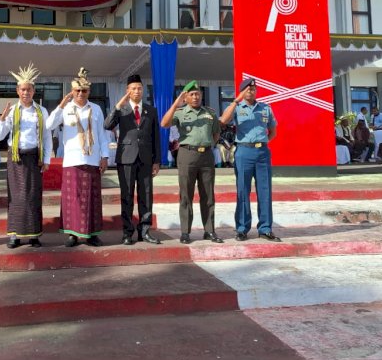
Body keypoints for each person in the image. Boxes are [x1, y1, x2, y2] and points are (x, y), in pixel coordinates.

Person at [45, 67, 109, 247]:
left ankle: (92, 234)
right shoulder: (65, 109)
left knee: (92, 199)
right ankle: (72, 234)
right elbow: (49, 125)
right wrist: (60, 106)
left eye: (84, 91)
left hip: (92, 159)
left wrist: (104, 157)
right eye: (77, 90)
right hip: (72, 160)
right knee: (73, 199)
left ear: (89, 92)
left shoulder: (96, 109)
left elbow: (102, 135)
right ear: (72, 91)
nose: (81, 94)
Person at [0, 63, 52, 249]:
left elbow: (47, 137)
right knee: (17, 197)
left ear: (34, 91)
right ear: (17, 91)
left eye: (29, 89)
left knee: (34, 196)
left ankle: (34, 234)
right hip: (16, 158)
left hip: (35, 158)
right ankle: (15, 235)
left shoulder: (41, 111)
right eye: (22, 89)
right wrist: (2, 120)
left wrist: (47, 159)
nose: (26, 93)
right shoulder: (11, 111)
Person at [161, 80, 222, 244]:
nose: (195, 97)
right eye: (192, 94)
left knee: (208, 195)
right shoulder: (180, 112)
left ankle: (209, 231)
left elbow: (216, 133)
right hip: (187, 155)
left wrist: (209, 144)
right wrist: (175, 104)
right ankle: (185, 232)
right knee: (186, 195)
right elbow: (164, 123)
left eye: (198, 94)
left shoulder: (210, 112)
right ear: (186, 97)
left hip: (206, 156)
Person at [219, 77, 280, 242]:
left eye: (253, 89)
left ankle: (265, 228)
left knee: (265, 191)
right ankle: (242, 228)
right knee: (243, 191)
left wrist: (260, 144)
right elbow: (223, 121)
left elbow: (273, 131)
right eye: (247, 89)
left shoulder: (265, 108)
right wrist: (235, 101)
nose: (251, 91)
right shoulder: (237, 107)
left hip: (262, 153)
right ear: (242, 91)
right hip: (243, 152)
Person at [104, 74, 161, 245]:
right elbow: (107, 125)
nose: (137, 91)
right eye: (133, 89)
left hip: (145, 159)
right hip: (126, 158)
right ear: (127, 91)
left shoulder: (151, 110)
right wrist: (118, 106)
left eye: (139, 88)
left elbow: (155, 137)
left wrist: (157, 161)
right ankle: (127, 232)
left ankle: (144, 231)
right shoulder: (122, 109)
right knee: (127, 196)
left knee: (146, 196)